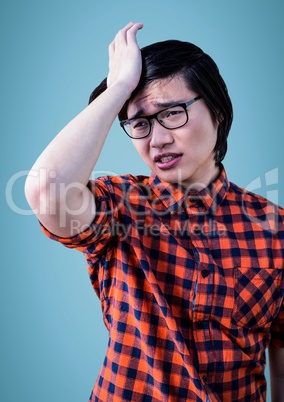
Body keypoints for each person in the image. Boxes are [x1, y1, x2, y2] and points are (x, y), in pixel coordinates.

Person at [25, 22, 284, 402]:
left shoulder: (274, 228)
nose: (157, 139)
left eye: (173, 113)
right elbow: (46, 190)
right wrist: (117, 91)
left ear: (218, 112)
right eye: (140, 123)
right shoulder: (118, 206)